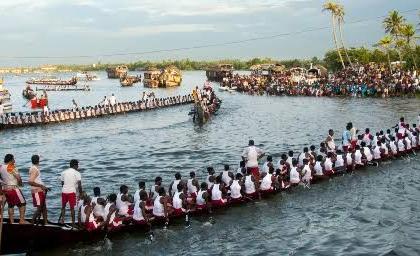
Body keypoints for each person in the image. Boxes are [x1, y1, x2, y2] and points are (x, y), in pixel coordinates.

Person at [0, 154, 26, 224]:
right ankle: (22, 220)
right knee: (23, 204)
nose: (14, 161)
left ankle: (11, 222)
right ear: (10, 160)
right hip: (14, 189)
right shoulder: (10, 166)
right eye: (13, 159)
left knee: (10, 205)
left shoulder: (1, 167)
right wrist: (20, 184)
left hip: (5, 190)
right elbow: (18, 178)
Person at [59, 159, 82, 227]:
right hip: (71, 192)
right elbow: (80, 185)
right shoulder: (77, 173)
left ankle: (62, 220)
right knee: (72, 208)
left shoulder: (63, 172)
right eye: (77, 165)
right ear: (75, 165)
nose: (78, 167)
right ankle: (73, 223)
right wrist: (80, 193)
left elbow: (62, 183)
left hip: (64, 191)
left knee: (63, 207)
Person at [28, 155, 49, 225]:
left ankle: (46, 223)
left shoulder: (35, 168)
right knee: (40, 208)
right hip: (37, 191)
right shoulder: (34, 169)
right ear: (38, 160)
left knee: (44, 207)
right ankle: (32, 222)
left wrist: (44, 187)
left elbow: (37, 180)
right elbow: (30, 182)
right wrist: (41, 186)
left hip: (40, 190)